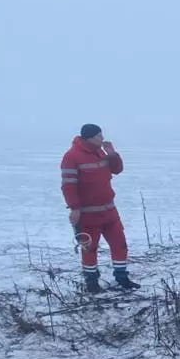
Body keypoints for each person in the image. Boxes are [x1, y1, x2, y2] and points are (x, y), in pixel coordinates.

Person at [60, 123, 139, 293]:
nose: (102, 138)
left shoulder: (100, 152)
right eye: (99, 136)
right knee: (90, 248)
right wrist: (74, 208)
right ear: (89, 138)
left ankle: (122, 277)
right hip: (87, 215)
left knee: (120, 244)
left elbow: (117, 170)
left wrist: (113, 155)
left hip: (109, 211)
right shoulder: (71, 157)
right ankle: (92, 282)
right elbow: (68, 186)